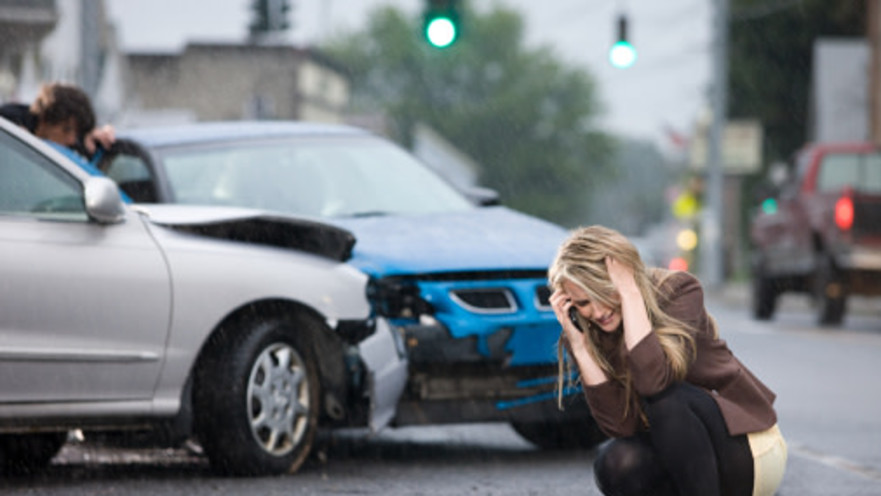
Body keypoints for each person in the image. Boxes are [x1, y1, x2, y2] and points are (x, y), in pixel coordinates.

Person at [548, 225, 787, 496]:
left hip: (748, 450)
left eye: (605, 293)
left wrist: (630, 295)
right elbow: (620, 425)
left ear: (625, 276)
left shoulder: (678, 290)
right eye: (583, 303)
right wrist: (580, 347)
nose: (599, 311)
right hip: (682, 461)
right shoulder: (590, 331)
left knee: (667, 402)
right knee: (616, 462)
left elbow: (655, 384)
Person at [0, 82, 115, 168]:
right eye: (66, 130)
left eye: (77, 133)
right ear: (45, 120)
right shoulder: (10, 121)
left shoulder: (76, 144)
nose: (71, 140)